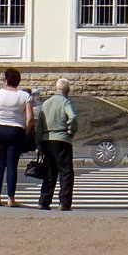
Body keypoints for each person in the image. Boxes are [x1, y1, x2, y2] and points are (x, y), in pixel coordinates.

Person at [0, 67, 34, 207]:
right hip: (16, 130)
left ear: (5, 80)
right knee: (12, 165)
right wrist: (25, 130)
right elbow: (30, 118)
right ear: (18, 81)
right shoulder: (25, 96)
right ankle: (11, 199)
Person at [36, 77, 78, 211]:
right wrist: (71, 129)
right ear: (68, 90)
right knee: (65, 172)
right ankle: (64, 203)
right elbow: (73, 117)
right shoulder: (66, 102)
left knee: (49, 172)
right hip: (62, 139)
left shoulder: (46, 103)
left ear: (56, 89)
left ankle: (44, 201)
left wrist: (39, 144)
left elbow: (40, 125)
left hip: (47, 139)